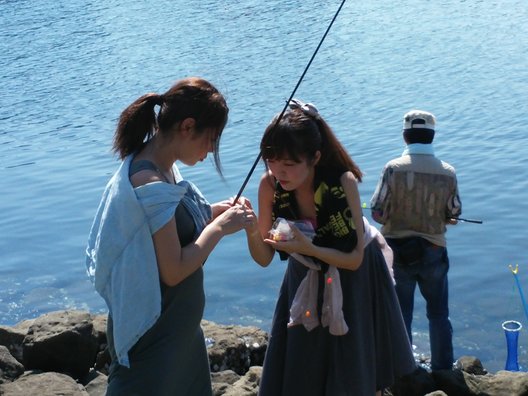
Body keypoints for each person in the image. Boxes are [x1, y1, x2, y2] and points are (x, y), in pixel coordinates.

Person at [85, 77, 253, 395]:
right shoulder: (147, 181)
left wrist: (217, 211)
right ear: (187, 127)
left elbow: (176, 227)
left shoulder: (161, 167)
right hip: (155, 339)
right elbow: (173, 270)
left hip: (180, 335)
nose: (211, 150)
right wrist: (218, 228)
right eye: (211, 140)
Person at [243, 99, 416, 396]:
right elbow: (264, 258)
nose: (278, 171)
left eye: (289, 164)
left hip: (355, 274)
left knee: (354, 361)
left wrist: (305, 247)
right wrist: (250, 229)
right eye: (271, 160)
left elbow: (353, 258)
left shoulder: (341, 182)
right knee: (304, 362)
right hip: (305, 273)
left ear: (315, 157)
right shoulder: (269, 186)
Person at [370, 109, 462, 371]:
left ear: (404, 136)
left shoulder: (392, 169)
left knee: (401, 315)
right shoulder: (448, 172)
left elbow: (377, 211)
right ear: (432, 136)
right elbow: (453, 214)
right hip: (433, 250)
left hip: (396, 251)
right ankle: (443, 369)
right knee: (438, 314)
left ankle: (403, 368)